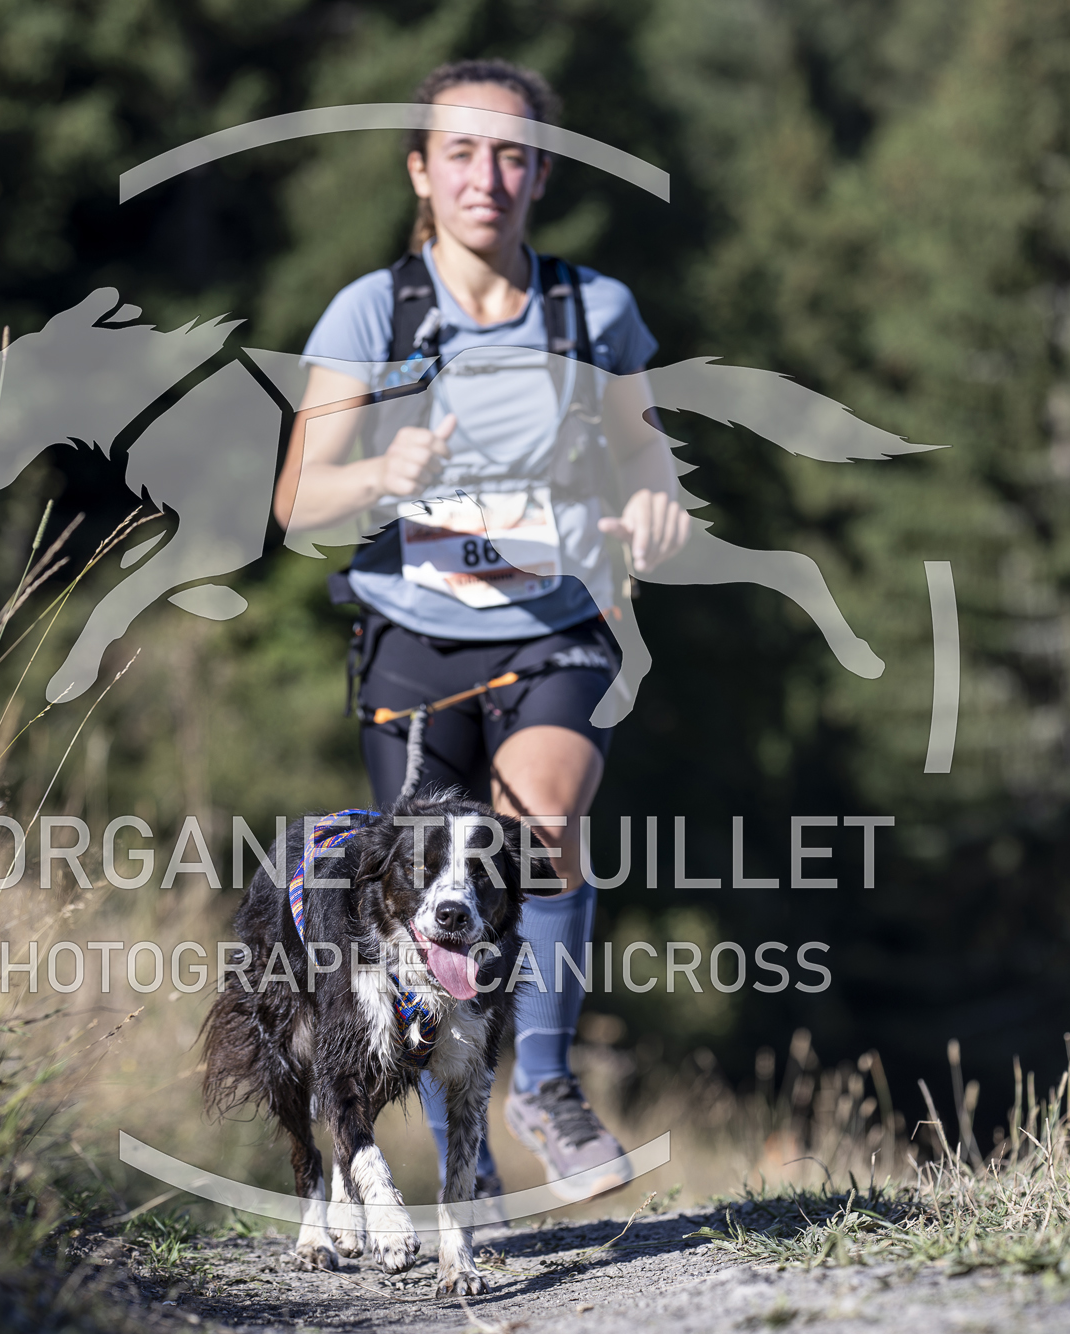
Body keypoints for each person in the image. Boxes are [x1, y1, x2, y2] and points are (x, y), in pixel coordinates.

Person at [277, 58, 690, 1193]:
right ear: (421, 170)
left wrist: (657, 507)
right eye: (460, 151)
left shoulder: (592, 310)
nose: (486, 176)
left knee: (542, 822)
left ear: (542, 173)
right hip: (412, 642)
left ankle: (544, 1087)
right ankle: (465, 1141)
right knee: (429, 883)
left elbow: (648, 455)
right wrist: (381, 473)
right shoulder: (375, 312)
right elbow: (298, 498)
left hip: (557, 627)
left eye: (511, 154)